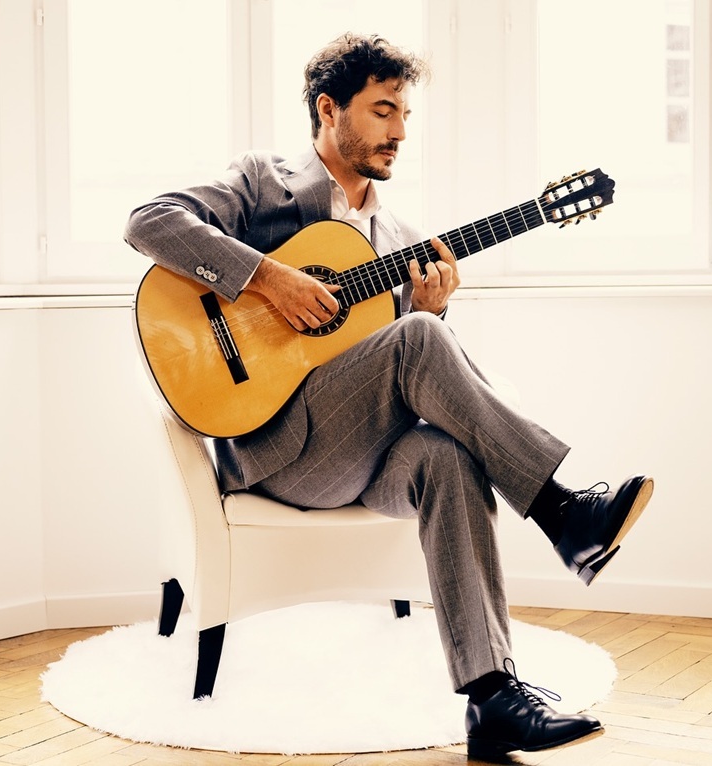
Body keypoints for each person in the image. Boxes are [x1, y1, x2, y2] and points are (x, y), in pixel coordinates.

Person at [125, 33, 653, 762]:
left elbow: (406, 371)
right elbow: (148, 222)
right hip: (275, 449)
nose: (400, 130)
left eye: (405, 114)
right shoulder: (262, 182)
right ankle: (562, 510)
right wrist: (269, 280)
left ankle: (493, 699)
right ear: (328, 109)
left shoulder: (399, 237)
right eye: (382, 110)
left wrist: (431, 311)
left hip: (360, 454)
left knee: (447, 457)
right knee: (419, 340)